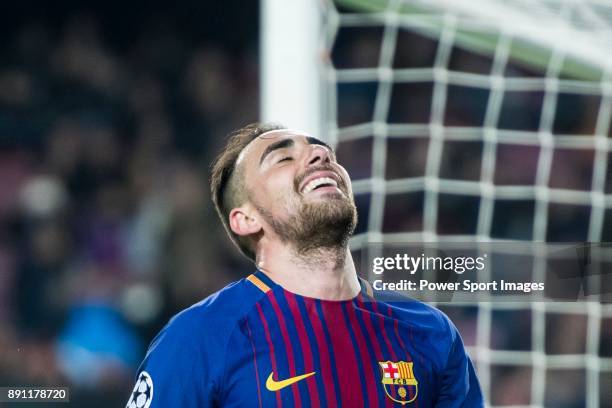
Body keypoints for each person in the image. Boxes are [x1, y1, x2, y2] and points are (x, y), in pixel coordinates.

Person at [126, 123, 483, 407]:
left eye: (322, 151)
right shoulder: (200, 337)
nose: (319, 155)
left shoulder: (429, 331)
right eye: (283, 159)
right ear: (246, 219)